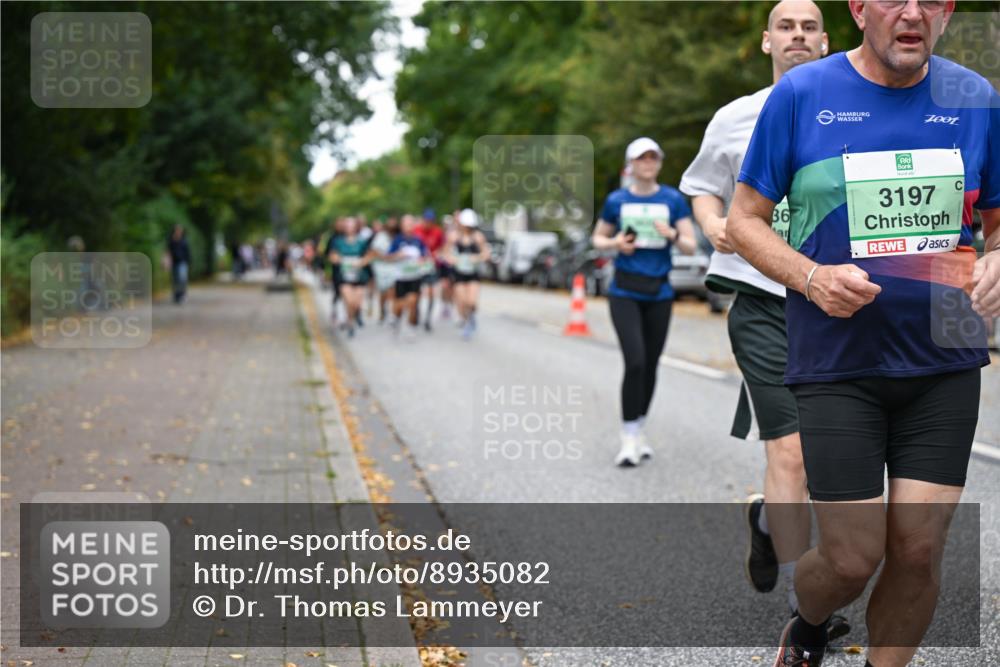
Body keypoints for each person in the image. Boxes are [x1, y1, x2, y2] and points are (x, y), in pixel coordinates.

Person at [727, 1, 999, 664]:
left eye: (929, 1)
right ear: (857, 9)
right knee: (851, 557)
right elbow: (744, 220)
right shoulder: (802, 94)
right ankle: (809, 622)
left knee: (919, 548)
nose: (912, 12)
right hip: (837, 362)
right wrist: (812, 277)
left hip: (943, 358)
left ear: (946, 13)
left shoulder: (975, 99)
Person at [680, 0, 841, 627]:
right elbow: (701, 185)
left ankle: (768, 520)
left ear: (826, 42)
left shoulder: (856, 109)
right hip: (764, 303)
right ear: (767, 41)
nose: (797, 36)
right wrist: (712, 222)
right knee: (791, 454)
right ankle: (808, 608)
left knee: (832, 454)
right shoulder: (735, 117)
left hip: (840, 304)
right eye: (785, 27)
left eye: (809, 27)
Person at [591, 137, 698, 467]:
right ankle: (627, 437)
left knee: (651, 364)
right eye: (642, 158)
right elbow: (597, 239)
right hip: (624, 291)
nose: (648, 163)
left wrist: (672, 235)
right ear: (631, 164)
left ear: (660, 163)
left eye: (653, 157)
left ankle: (639, 427)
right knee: (635, 361)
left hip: (659, 293)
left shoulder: (672, 199)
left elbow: (691, 245)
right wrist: (615, 243)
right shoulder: (617, 200)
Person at [442, 209, 491, 339]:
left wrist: (478, 257)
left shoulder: (478, 237)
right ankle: (467, 321)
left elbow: (486, 253)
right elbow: (445, 253)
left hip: (473, 274)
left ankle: (471, 317)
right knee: (462, 301)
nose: (468, 227)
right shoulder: (454, 236)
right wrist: (452, 259)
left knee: (472, 302)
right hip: (459, 274)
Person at [389, 214, 431, 341]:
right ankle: (397, 317)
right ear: (402, 226)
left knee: (413, 302)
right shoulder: (397, 240)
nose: (408, 227)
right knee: (400, 305)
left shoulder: (418, 240)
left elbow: (426, 256)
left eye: (410, 224)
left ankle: (411, 326)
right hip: (401, 277)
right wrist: (398, 255)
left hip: (414, 277)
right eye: (406, 224)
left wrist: (422, 261)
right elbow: (388, 257)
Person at [328, 217, 373, 338]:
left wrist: (361, 262)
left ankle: (353, 316)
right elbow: (332, 256)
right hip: (344, 276)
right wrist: (340, 260)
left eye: (352, 225)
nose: (349, 228)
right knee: (349, 300)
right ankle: (350, 322)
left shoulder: (362, 241)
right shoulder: (337, 241)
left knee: (356, 303)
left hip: (359, 276)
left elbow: (369, 255)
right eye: (347, 225)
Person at [414, 208, 445, 331]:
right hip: (419, 265)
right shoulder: (416, 230)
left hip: (432, 265)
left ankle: (428, 317)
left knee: (432, 291)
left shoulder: (438, 232)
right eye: (426, 220)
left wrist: (437, 254)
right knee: (417, 291)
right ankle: (416, 312)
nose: (428, 223)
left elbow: (442, 247)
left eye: (430, 221)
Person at [370, 217, 400, 324]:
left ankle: (393, 313)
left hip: (395, 267)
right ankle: (382, 310)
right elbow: (375, 250)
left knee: (393, 290)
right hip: (382, 268)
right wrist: (386, 257)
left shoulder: (398, 236)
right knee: (383, 292)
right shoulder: (380, 236)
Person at [167, 225, 190, 305]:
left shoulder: (184, 241)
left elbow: (187, 253)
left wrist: (188, 262)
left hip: (182, 263)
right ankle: (176, 296)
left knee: (182, 278)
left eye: (179, 230)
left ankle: (182, 294)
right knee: (175, 280)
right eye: (177, 230)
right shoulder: (171, 241)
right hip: (174, 263)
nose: (178, 232)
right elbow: (168, 252)